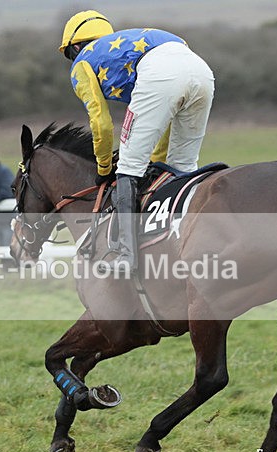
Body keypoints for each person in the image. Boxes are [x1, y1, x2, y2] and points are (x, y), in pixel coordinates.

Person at [59, 10, 215, 274]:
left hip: (159, 74)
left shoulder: (83, 63)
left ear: (75, 46)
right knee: (182, 167)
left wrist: (105, 167)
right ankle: (186, 241)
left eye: (69, 55)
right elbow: (161, 121)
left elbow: (101, 123)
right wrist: (156, 162)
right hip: (202, 71)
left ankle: (126, 256)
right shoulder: (125, 45)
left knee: (128, 168)